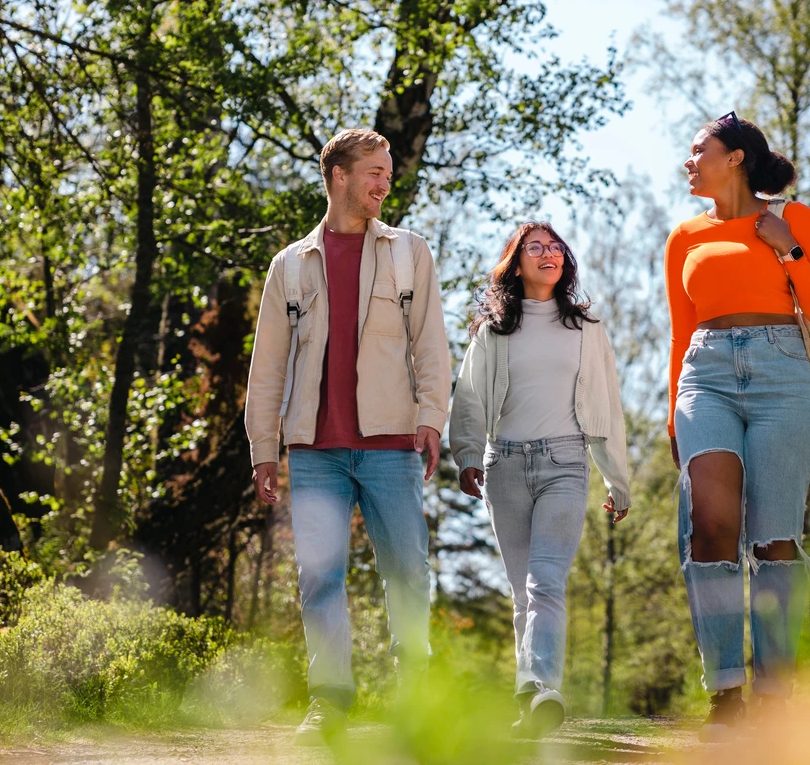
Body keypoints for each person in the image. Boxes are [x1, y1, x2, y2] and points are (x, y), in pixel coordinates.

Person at [244, 128, 451, 747]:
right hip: (315, 451)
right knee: (320, 577)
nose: (385, 183)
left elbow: (430, 344)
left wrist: (432, 417)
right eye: (374, 172)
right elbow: (267, 366)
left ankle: (416, 695)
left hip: (391, 445)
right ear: (339, 175)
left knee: (407, 571)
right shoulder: (290, 264)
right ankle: (329, 699)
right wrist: (263, 448)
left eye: (388, 172)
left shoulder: (409, 252)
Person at [666, 112, 810, 740]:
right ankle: (724, 692)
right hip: (705, 378)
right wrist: (673, 414)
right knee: (710, 526)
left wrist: (786, 247)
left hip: (783, 377)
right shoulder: (684, 237)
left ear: (736, 158)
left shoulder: (793, 219)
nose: (689, 161)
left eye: (699, 150)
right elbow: (680, 332)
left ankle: (774, 694)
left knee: (774, 539)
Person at [449, 221, 631, 738]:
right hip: (504, 466)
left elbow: (606, 406)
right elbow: (469, 397)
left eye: (555, 247)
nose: (548, 254)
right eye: (536, 247)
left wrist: (617, 479)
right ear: (517, 263)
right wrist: (467, 454)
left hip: (565, 464)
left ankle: (541, 685)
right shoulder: (493, 331)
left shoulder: (586, 328)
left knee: (545, 582)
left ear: (564, 261)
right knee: (522, 593)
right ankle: (531, 701)